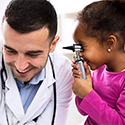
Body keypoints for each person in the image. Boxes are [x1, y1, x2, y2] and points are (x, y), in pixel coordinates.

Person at [0, 0, 74, 125]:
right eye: (10, 51)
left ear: (53, 45)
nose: (20, 66)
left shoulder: (63, 71)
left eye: (32, 54)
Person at [71, 0, 125, 124]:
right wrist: (84, 86)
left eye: (82, 47)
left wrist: (87, 94)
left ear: (110, 43)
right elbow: (84, 111)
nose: (79, 54)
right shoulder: (98, 71)